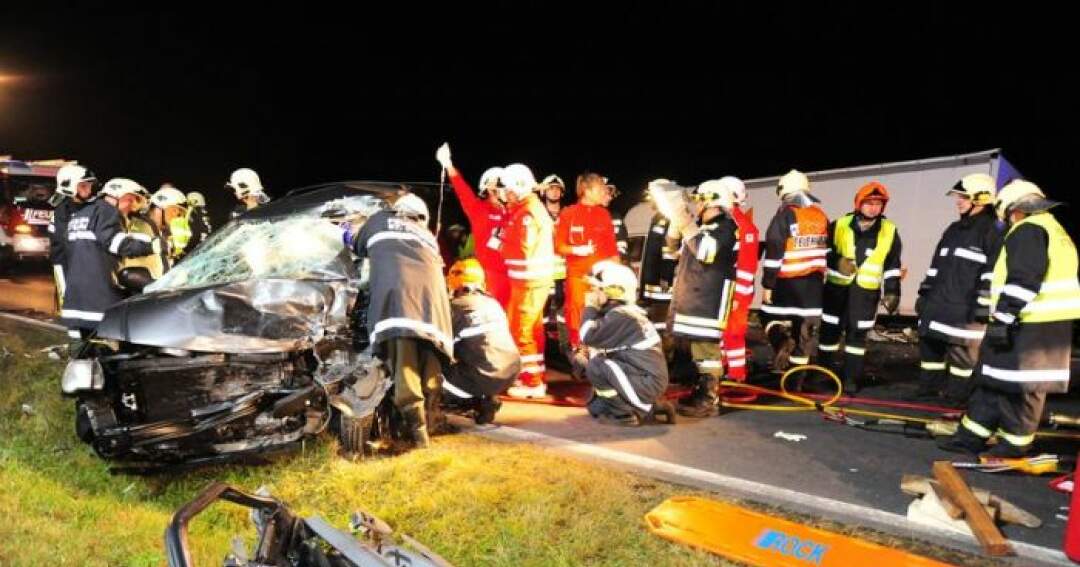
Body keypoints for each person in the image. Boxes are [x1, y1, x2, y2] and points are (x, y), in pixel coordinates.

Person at [938, 180, 1080, 458]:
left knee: (1023, 389)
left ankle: (1014, 445)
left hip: (1031, 322)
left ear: (1014, 210)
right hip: (1036, 322)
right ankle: (971, 435)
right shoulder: (1053, 230)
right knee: (994, 378)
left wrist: (1003, 316)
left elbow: (1024, 279)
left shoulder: (1028, 230)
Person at [345, 193, 454, 449]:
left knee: (406, 372)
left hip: (399, 304)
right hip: (433, 308)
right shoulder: (428, 237)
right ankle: (433, 421)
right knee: (429, 366)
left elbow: (355, 245)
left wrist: (346, 229)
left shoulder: (380, 220)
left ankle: (420, 439)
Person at [913, 173, 1002, 405]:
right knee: (930, 350)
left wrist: (983, 306)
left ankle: (957, 398)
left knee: (962, 358)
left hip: (965, 310)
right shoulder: (953, 229)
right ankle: (927, 393)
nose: (958, 201)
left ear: (981, 200)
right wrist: (924, 293)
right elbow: (936, 266)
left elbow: (992, 274)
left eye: (964, 197)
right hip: (938, 305)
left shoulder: (992, 232)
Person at [817, 181, 903, 393]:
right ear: (858, 203)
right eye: (869, 202)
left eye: (878, 203)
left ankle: (850, 380)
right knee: (829, 334)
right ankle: (821, 375)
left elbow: (892, 265)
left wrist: (892, 291)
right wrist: (837, 261)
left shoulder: (890, 231)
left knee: (857, 338)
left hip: (865, 294)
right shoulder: (839, 224)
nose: (874, 207)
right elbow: (822, 251)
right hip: (836, 292)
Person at [670, 180, 739, 418]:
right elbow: (674, 249)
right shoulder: (706, 228)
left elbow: (705, 252)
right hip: (697, 298)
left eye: (699, 199)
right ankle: (702, 391)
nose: (696, 204)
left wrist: (685, 222)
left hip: (709, 300)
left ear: (712, 200)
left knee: (706, 350)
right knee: (699, 349)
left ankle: (708, 398)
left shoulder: (725, 227)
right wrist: (676, 221)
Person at [60, 178, 160, 340]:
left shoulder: (82, 213)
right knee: (108, 350)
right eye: (131, 200)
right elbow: (115, 242)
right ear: (120, 196)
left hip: (75, 300)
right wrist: (151, 247)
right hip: (99, 300)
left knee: (82, 352)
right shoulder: (108, 211)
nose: (131, 207)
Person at [579, 262, 675, 426]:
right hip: (643, 377)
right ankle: (651, 406)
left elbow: (587, 335)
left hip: (646, 381)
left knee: (595, 366)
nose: (593, 292)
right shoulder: (623, 313)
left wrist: (590, 307)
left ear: (614, 291)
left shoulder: (622, 316)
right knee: (596, 407)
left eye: (598, 288)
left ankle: (626, 414)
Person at [760, 169, 829, 373]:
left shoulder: (785, 215)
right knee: (804, 332)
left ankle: (781, 342)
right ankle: (796, 379)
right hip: (814, 286)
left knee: (767, 315)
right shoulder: (820, 216)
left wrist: (768, 285)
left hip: (787, 283)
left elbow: (774, 250)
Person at [499, 163, 556, 398]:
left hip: (529, 282)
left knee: (521, 331)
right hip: (530, 282)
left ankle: (531, 382)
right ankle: (536, 374)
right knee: (532, 330)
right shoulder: (527, 209)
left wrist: (502, 246)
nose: (506, 193)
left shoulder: (528, 213)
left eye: (509, 189)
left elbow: (523, 248)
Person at [443, 259, 521, 424]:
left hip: (482, 375)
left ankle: (474, 402)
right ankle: (487, 397)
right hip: (510, 373)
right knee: (477, 359)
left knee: (431, 375)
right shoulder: (493, 304)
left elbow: (440, 345)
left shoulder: (455, 307)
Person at [436, 143, 511, 308]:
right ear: (489, 187)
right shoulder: (478, 209)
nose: (505, 189)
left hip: (513, 274)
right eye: (501, 185)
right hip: (490, 275)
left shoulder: (512, 211)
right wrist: (448, 164)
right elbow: (462, 190)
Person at [554, 172, 620, 349]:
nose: (604, 191)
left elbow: (612, 248)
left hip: (601, 277)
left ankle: (598, 349)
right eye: (600, 188)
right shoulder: (568, 214)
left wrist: (619, 276)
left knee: (601, 313)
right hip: (578, 277)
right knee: (576, 312)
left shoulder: (604, 215)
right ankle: (578, 348)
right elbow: (558, 247)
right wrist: (577, 249)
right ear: (587, 190)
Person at [49, 164, 96, 310]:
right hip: (66, 268)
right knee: (68, 308)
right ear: (69, 186)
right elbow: (64, 248)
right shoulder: (61, 213)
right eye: (83, 186)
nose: (88, 189)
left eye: (89, 185)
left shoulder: (91, 208)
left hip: (86, 270)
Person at [539, 174, 568, 344]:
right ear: (544, 192)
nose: (555, 192)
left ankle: (563, 344)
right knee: (541, 310)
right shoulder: (538, 213)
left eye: (558, 189)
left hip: (563, 274)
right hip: (542, 271)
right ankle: (541, 342)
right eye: (551, 188)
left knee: (562, 310)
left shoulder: (567, 214)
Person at [149, 186, 193, 261]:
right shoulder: (137, 226)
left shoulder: (166, 234)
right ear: (158, 210)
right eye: (175, 210)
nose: (180, 217)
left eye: (182, 213)